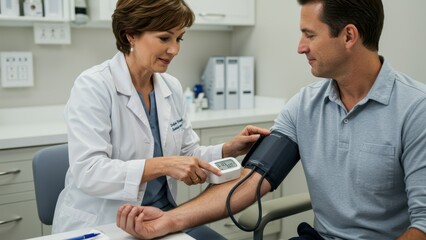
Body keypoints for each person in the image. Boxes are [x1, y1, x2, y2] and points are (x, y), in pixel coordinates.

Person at [116, 0, 426, 239]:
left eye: (309, 35)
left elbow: (423, 225)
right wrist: (171, 219)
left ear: (348, 36)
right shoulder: (305, 105)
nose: (300, 47)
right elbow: (251, 179)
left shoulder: (415, 110)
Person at [51, 0, 270, 239]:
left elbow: (187, 153)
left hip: (163, 216)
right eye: (165, 38)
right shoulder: (94, 85)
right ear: (130, 35)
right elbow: (88, 172)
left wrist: (229, 149)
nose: (174, 49)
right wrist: (164, 165)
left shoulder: (170, 87)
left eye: (179, 38)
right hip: (107, 223)